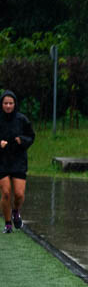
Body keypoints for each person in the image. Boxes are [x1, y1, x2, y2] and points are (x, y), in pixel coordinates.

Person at [0, 90, 35, 233]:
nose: (8, 106)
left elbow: (31, 136)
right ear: (1, 104)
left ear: (15, 104)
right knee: (6, 192)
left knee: (19, 194)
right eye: (5, 103)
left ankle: (16, 211)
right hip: (2, 161)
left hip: (18, 160)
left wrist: (22, 140)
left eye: (11, 103)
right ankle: (8, 223)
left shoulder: (22, 119)